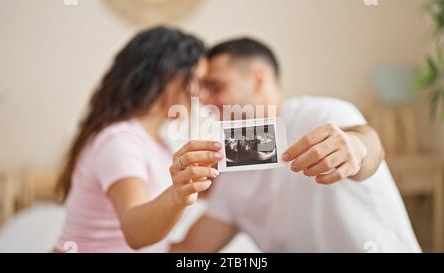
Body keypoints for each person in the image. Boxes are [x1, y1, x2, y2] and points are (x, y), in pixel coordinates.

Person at [172, 38, 421, 252]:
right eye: (204, 92)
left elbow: (369, 144)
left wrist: (356, 147)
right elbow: (190, 249)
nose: (206, 102)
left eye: (216, 87)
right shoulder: (239, 157)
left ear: (259, 79)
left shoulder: (319, 115)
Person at [54, 27, 222, 252]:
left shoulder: (158, 144)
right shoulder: (120, 141)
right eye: (198, 81)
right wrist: (178, 193)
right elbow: (135, 233)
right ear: (168, 75)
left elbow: (199, 191)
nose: (203, 95)